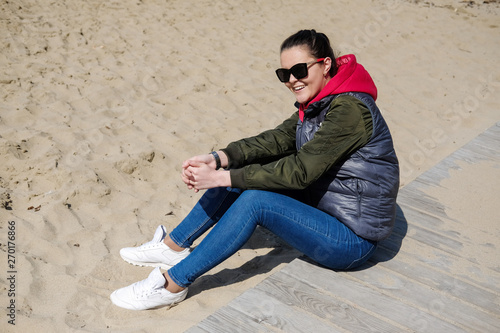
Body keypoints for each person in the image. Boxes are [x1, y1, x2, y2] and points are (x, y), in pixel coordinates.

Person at [110, 29, 399, 311]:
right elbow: (276, 139)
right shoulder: (321, 101)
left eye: (299, 70)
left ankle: (172, 284)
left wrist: (221, 177)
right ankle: (173, 246)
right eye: (284, 74)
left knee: (255, 200)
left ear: (325, 65)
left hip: (351, 240)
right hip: (324, 210)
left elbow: (300, 171)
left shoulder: (349, 110)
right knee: (244, 169)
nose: (292, 80)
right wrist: (220, 158)